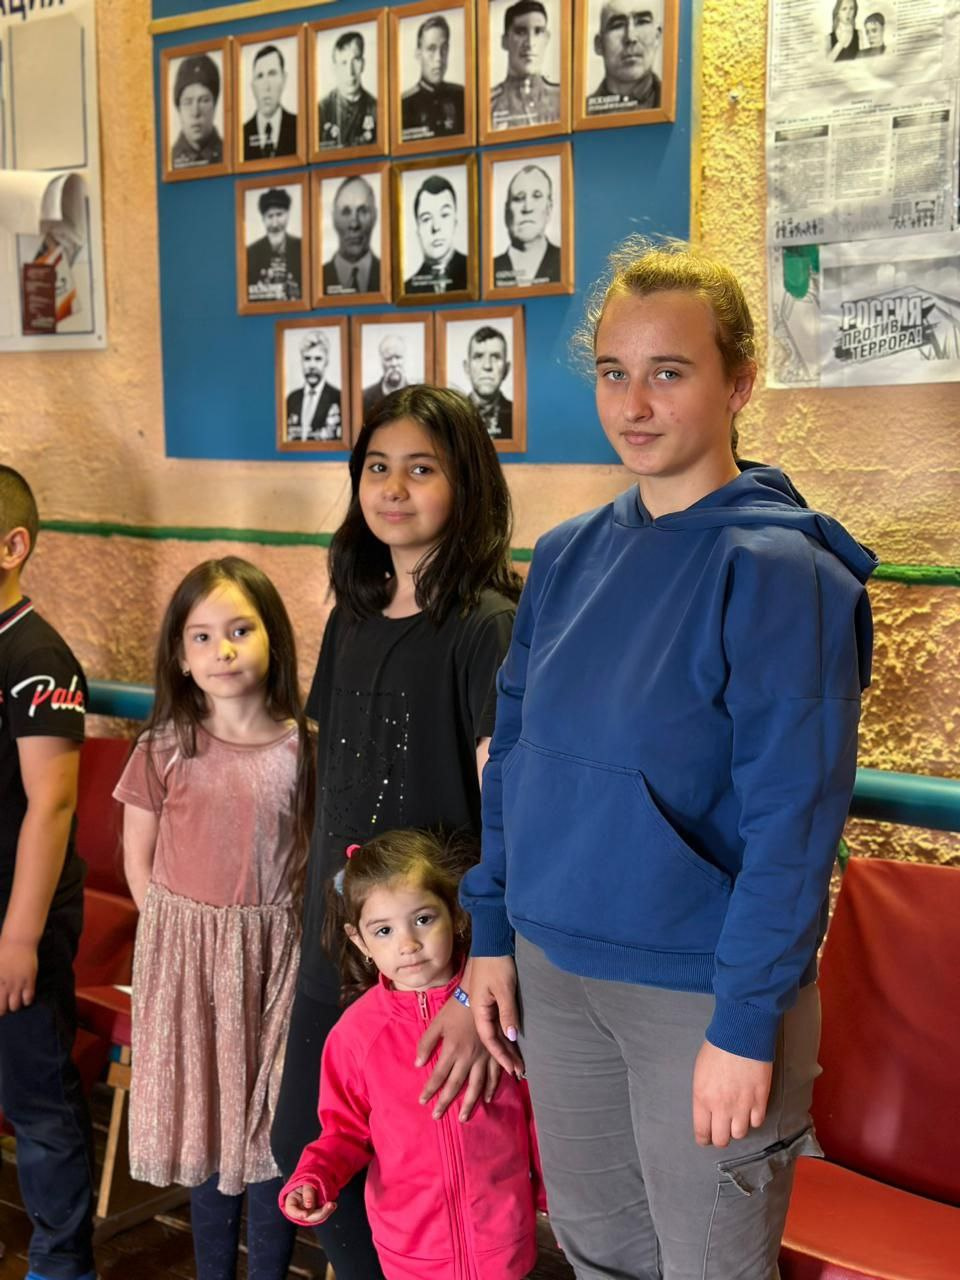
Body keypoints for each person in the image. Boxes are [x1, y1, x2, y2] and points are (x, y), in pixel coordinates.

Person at [462, 238, 877, 1280]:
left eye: (669, 371)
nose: (635, 403)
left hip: (698, 994)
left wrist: (746, 1024)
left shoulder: (783, 571)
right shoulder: (566, 555)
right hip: (555, 970)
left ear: (738, 383)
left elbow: (794, 828)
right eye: (614, 371)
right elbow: (514, 758)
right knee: (598, 1254)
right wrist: (492, 930)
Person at [271, 385, 523, 1279]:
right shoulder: (353, 614)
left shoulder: (488, 626)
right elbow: (334, 779)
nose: (393, 487)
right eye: (378, 466)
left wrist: (476, 978)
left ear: (467, 485)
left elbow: (511, 812)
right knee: (303, 1146)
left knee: (436, 1176)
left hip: (436, 962)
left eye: (422, 469)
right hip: (344, 946)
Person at [114, 557, 315, 1280]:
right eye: (201, 636)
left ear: (273, 638)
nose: (222, 650)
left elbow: (313, 856)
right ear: (180, 654)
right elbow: (139, 859)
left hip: (277, 960)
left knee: (270, 1127)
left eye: (239, 630)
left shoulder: (305, 746)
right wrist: (178, 946)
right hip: (188, 962)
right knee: (209, 1121)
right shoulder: (164, 746)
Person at [279, 829, 542, 1279]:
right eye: (384, 930)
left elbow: (537, 1113)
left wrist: (556, 1200)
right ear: (359, 941)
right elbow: (342, 1132)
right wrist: (314, 1178)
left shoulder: (497, 1005)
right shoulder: (354, 1036)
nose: (408, 944)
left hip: (504, 1242)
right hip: (409, 1254)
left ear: (455, 916)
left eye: (422, 919)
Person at [0, 466, 95, 1280]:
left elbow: (52, 805)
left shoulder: (37, 656)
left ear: (12, 547)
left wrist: (19, 937)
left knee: (37, 1101)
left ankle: (62, 1265)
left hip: (17, 919)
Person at [491, 0, 561, 131]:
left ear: (547, 39)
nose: (530, 43)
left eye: (538, 31)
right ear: (505, 41)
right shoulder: (489, 105)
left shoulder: (562, 100)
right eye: (520, 32)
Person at [587, 0, 663, 115]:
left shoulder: (680, 104)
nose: (630, 37)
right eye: (617, 25)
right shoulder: (582, 112)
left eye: (642, 22)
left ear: (657, 36)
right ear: (599, 44)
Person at [492, 164, 562, 288]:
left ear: (549, 208)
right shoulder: (489, 270)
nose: (527, 208)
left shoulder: (566, 261)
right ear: (507, 212)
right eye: (518, 198)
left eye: (537, 196)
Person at [401, 15, 466, 141]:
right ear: (418, 54)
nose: (439, 58)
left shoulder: (462, 97)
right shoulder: (404, 105)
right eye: (431, 49)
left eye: (444, 49)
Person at [404, 175, 468, 295]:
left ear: (455, 222)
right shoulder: (406, 291)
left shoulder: (477, 273)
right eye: (426, 219)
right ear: (418, 230)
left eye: (444, 215)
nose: (436, 227)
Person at [322, 175, 381, 297]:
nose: (354, 224)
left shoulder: (393, 275)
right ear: (334, 219)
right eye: (346, 212)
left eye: (363, 211)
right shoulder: (316, 280)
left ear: (375, 216)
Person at [319, 30, 378, 151]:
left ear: (363, 64)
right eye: (343, 63)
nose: (350, 72)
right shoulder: (321, 110)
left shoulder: (377, 109)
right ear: (334, 68)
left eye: (355, 60)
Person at [243, 44, 298, 161]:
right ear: (252, 85)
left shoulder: (299, 127)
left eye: (272, 74)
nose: (266, 86)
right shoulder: (240, 136)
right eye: (260, 76)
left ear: (284, 79)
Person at [246, 187, 302, 303]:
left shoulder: (302, 248)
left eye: (279, 214)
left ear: (288, 215)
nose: (275, 224)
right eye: (270, 216)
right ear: (263, 219)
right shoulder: (250, 253)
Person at [286, 331, 342, 442]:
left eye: (318, 359)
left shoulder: (338, 398)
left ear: (326, 362)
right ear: (301, 362)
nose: (312, 365)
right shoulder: (291, 399)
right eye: (307, 359)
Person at [171, 53, 223, 169]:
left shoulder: (232, 154)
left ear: (215, 105)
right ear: (178, 109)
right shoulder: (167, 162)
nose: (195, 112)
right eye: (187, 102)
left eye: (204, 100)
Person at [464, 325, 513, 439]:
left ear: (506, 369)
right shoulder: (451, 415)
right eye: (478, 356)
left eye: (495, 357)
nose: (487, 366)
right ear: (467, 367)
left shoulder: (519, 416)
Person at [362, 334, 408, 418]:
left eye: (398, 357)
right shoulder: (365, 397)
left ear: (404, 359)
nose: (394, 364)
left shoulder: (417, 396)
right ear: (381, 361)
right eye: (388, 359)